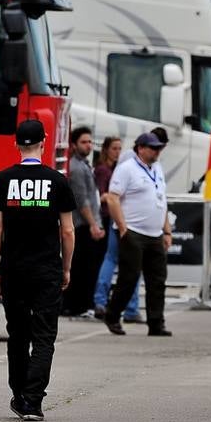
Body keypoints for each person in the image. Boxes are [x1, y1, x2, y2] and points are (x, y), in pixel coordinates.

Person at [0, 120, 77, 421]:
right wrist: (66, 267)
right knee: (44, 335)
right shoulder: (58, 181)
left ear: (16, 144)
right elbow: (67, 230)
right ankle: (33, 400)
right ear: (44, 140)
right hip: (46, 268)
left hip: (13, 268)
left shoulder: (4, 179)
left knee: (17, 333)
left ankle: (18, 392)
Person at [104, 132, 172, 337]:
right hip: (133, 231)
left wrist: (166, 230)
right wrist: (123, 228)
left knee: (157, 280)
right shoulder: (126, 169)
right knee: (129, 276)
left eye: (159, 148)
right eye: (153, 148)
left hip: (155, 233)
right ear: (140, 148)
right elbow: (113, 198)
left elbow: (162, 200)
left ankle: (156, 322)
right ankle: (113, 314)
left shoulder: (157, 168)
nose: (157, 152)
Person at [91, 136, 140, 323]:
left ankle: (102, 301)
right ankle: (125, 306)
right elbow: (104, 196)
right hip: (118, 218)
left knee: (112, 260)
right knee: (126, 263)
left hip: (115, 218)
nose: (117, 152)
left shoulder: (118, 167)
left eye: (120, 148)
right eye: (114, 148)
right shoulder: (108, 169)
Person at [62, 126, 104, 317]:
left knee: (87, 267)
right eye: (84, 142)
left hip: (88, 224)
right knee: (80, 267)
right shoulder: (77, 167)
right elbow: (82, 200)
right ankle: (75, 306)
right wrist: (93, 224)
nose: (88, 145)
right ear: (74, 145)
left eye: (90, 142)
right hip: (82, 225)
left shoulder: (85, 164)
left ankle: (81, 304)